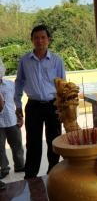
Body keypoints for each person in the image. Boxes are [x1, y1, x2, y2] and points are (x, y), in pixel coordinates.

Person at [14, 24, 66, 179]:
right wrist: (18, 105)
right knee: (33, 143)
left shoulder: (57, 60)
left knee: (54, 141)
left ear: (49, 40)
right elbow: (19, 82)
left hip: (53, 105)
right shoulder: (25, 60)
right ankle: (30, 176)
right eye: (36, 38)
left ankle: (53, 173)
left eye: (43, 37)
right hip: (34, 106)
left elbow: (62, 84)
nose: (40, 41)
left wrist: (63, 107)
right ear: (32, 40)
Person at [0, 59, 25, 180]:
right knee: (0, 148)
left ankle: (20, 165)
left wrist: (20, 117)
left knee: (17, 145)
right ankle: (4, 168)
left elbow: (17, 101)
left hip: (11, 120)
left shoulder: (10, 84)